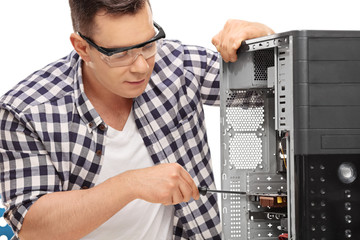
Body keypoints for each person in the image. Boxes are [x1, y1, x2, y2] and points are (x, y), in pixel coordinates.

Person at [0, 0, 273, 239]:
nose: (142, 66)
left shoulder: (177, 66)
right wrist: (129, 185)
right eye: (121, 54)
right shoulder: (27, 111)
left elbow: (270, 93)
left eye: (148, 43)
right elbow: (32, 225)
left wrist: (266, 42)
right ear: (82, 47)